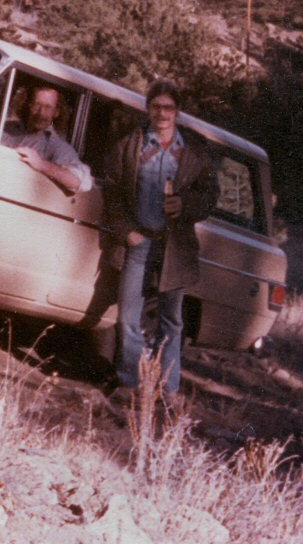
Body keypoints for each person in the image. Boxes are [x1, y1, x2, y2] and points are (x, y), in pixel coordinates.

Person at [105, 79, 216, 398]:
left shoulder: (194, 151)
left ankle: (168, 390)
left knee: (171, 321)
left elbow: (210, 196)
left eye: (168, 107)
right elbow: (112, 192)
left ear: (177, 112)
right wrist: (127, 231)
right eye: (156, 106)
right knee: (127, 317)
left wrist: (186, 204)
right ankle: (129, 383)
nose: (162, 113)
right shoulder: (132, 144)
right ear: (147, 108)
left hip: (175, 248)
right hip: (139, 243)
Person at [2, 84, 92, 194]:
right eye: (37, 105)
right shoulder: (7, 127)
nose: (41, 113)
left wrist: (41, 164)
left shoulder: (56, 145)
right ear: (29, 106)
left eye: (48, 107)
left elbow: (80, 182)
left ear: (56, 112)